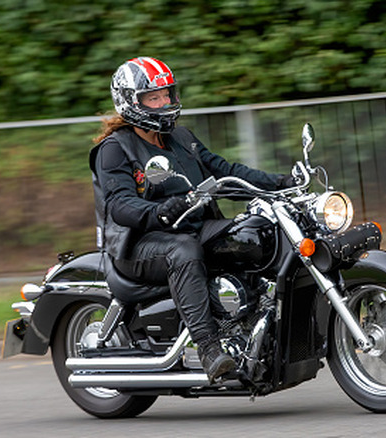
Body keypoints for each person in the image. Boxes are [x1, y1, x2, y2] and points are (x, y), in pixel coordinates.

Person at [89, 57, 295, 382]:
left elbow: (226, 171)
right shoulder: (115, 149)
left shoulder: (182, 138)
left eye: (167, 94)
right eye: (153, 98)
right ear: (131, 101)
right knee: (182, 250)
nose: (165, 103)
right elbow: (119, 205)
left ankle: (253, 319)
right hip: (139, 245)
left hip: (193, 227)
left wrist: (281, 183)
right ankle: (209, 348)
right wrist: (156, 211)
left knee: (254, 233)